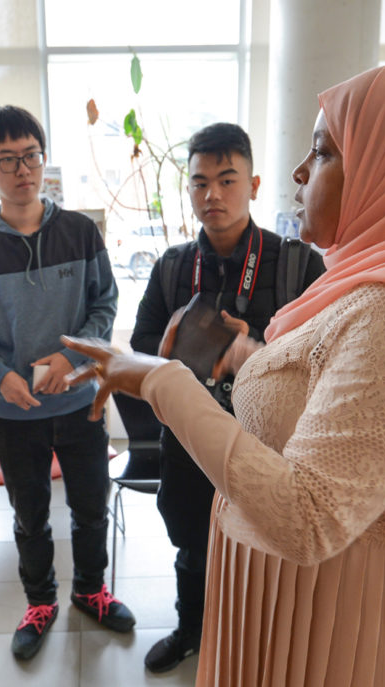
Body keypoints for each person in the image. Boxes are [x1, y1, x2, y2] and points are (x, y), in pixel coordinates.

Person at [63, 63, 385, 687]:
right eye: (198, 183)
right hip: (292, 598)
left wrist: (159, 378)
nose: (300, 172)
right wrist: (245, 358)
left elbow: (310, 516)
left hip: (344, 628)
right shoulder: (357, 283)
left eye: (322, 151)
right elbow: (329, 386)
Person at [130, 122, 324, 673]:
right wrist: (179, 335)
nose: (211, 195)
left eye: (227, 179)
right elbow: (144, 346)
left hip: (270, 443)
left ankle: (262, 642)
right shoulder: (170, 267)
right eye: (199, 183)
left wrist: (251, 349)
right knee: (191, 544)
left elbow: (322, 356)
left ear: (255, 184)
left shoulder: (297, 264)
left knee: (271, 544)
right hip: (189, 438)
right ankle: (191, 629)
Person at [0, 105, 134, 660]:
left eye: (31, 155)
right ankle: (40, 601)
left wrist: (66, 354)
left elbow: (104, 305)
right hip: (14, 413)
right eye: (7, 160)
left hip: (82, 403)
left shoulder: (78, 232)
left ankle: (92, 591)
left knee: (91, 506)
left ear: (43, 157)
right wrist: (0, 377)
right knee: (28, 515)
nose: (23, 170)